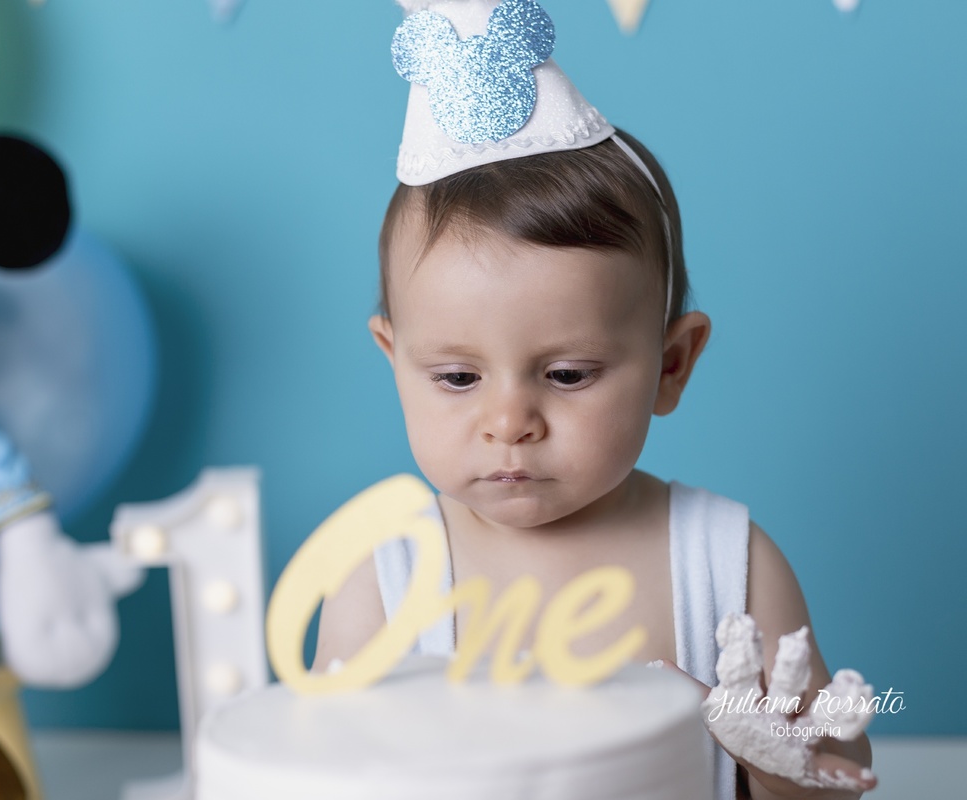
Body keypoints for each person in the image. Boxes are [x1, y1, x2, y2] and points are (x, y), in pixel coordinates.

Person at [313, 1, 874, 798]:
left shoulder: (728, 571)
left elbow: (839, 778)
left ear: (671, 366)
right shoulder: (387, 582)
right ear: (393, 359)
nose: (509, 423)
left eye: (568, 374)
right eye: (458, 378)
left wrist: (773, 760)